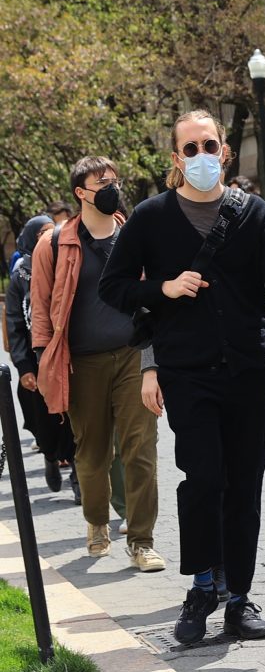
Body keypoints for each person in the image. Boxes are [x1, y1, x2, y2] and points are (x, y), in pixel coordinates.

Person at [99, 109, 265, 643]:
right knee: (204, 481)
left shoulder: (255, 214)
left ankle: (238, 597)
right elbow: (114, 287)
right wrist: (164, 288)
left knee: (244, 486)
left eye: (209, 145)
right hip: (187, 373)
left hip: (246, 372)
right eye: (189, 149)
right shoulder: (150, 218)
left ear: (224, 152)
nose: (201, 156)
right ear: (177, 158)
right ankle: (201, 587)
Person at [30, 156, 163, 570]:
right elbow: (40, 309)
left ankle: (141, 541)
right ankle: (96, 522)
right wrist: (43, 362)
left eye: (114, 180)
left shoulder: (136, 235)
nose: (111, 187)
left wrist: (153, 362)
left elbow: (154, 300)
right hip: (80, 362)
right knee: (92, 453)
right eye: (100, 181)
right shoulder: (53, 243)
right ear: (80, 193)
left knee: (141, 449)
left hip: (132, 356)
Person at [7, 215, 76, 495]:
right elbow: (15, 322)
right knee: (46, 423)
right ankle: (50, 456)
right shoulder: (20, 276)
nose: (47, 240)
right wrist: (24, 366)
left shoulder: (66, 264)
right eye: (41, 235)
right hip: (38, 363)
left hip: (70, 358)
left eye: (52, 233)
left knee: (76, 420)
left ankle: (78, 477)